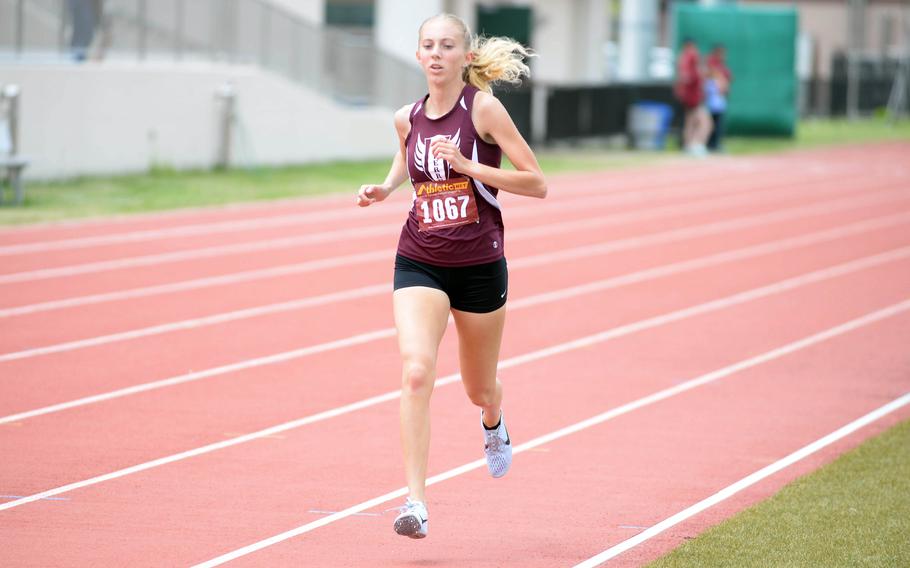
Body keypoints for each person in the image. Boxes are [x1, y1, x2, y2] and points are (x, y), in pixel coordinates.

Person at [355, 13, 547, 539]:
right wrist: (387, 188)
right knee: (417, 371)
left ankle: (494, 419)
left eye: (447, 46)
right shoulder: (406, 117)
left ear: (465, 56)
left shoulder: (483, 109)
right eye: (428, 46)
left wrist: (470, 166)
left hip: (480, 267)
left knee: (478, 387)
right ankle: (415, 502)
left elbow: (536, 182)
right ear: (418, 56)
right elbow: (406, 159)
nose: (436, 54)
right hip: (419, 257)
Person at [674, 38, 712, 157]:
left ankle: (688, 145)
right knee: (706, 122)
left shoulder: (684, 57)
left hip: (690, 96)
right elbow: (687, 76)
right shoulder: (689, 56)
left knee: (690, 121)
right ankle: (697, 145)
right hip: (693, 96)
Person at [705, 44, 733, 152]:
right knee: (712, 122)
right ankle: (712, 144)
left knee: (718, 122)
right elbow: (713, 75)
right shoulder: (711, 62)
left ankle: (716, 144)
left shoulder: (721, 65)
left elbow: (728, 77)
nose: (724, 56)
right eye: (722, 53)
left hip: (719, 100)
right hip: (712, 99)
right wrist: (723, 83)